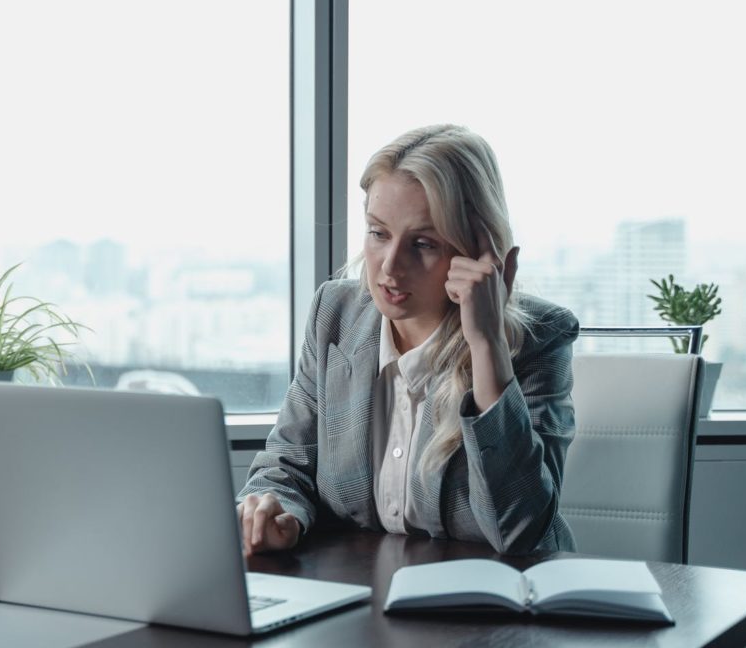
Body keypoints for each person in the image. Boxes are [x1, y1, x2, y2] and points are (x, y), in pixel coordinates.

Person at [237, 124, 579, 556]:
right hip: (363, 600)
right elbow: (288, 466)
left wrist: (487, 346)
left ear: (477, 250)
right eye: (378, 233)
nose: (390, 268)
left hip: (491, 612)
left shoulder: (538, 339)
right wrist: (275, 511)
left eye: (423, 243)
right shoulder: (336, 315)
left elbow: (523, 534)